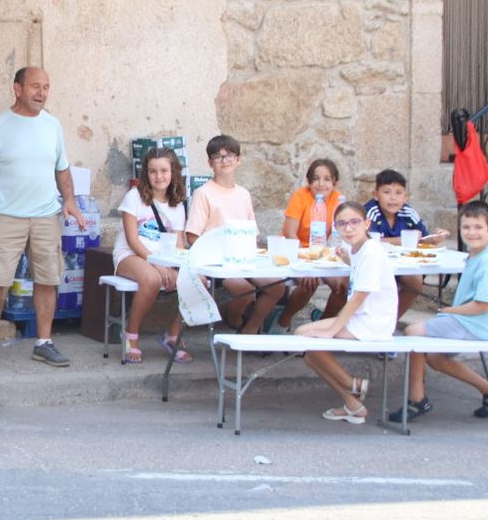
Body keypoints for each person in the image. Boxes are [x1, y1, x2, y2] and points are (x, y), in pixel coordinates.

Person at [0, 66, 86, 369]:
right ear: (17, 89)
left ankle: (43, 342)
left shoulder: (53, 126)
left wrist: (70, 200)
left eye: (46, 87)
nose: (41, 93)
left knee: (48, 279)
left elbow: (61, 167)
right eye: (35, 86)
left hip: (46, 216)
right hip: (4, 216)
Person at [390, 200, 488, 423]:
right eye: (466, 227)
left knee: (413, 332)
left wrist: (449, 310)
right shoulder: (475, 256)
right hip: (470, 321)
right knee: (435, 358)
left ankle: (417, 398)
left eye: (478, 227)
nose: (471, 233)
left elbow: (483, 304)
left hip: (476, 323)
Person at [294, 200, 397, 424]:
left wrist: (332, 329)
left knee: (303, 333)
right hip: (365, 317)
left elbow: (359, 298)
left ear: (366, 223)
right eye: (342, 224)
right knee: (310, 354)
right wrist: (348, 260)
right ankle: (353, 403)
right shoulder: (359, 250)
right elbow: (360, 275)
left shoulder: (371, 253)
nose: (348, 228)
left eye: (354, 222)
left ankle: (353, 384)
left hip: (371, 322)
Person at [183, 134, 278, 336]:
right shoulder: (204, 193)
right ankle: (233, 318)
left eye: (229, 156)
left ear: (239, 159)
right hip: (218, 261)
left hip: (243, 257)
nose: (224, 160)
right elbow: (192, 236)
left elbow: (251, 233)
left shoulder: (243, 194)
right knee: (244, 292)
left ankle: (250, 329)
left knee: (277, 287)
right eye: (218, 156)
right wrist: (215, 253)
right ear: (210, 163)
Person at [112, 147, 190, 364]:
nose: (159, 176)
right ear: (146, 173)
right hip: (131, 255)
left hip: (164, 259)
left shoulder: (177, 205)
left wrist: (175, 268)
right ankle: (131, 335)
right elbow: (132, 239)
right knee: (151, 279)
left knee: (197, 280)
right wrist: (157, 265)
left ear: (173, 172)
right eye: (153, 171)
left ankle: (173, 335)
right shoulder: (134, 197)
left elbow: (178, 243)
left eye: (164, 170)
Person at [365, 168, 451, 321]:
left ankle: (389, 322)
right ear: (376, 195)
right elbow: (367, 241)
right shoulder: (370, 212)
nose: (393, 198)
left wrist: (434, 238)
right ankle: (368, 320)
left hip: (403, 263)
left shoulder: (408, 213)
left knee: (415, 283)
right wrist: (400, 240)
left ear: (405, 196)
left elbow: (422, 239)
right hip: (374, 264)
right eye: (387, 192)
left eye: (398, 193)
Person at [275, 158, 346, 330]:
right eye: (316, 179)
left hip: (321, 253)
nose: (321, 184)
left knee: (343, 286)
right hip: (294, 251)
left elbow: (343, 232)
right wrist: (307, 263)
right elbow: (291, 234)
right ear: (309, 181)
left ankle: (323, 325)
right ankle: (282, 322)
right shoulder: (300, 196)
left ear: (334, 182)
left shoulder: (338, 200)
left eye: (327, 179)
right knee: (309, 281)